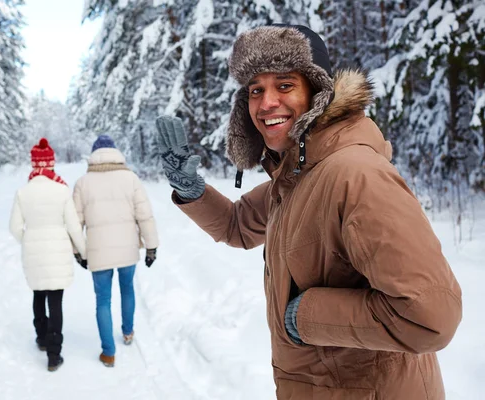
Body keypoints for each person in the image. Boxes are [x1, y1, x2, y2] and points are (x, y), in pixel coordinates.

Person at [154, 25, 462, 399]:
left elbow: (430, 317)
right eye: (256, 90)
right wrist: (192, 190)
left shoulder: (354, 175)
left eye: (285, 85)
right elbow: (237, 226)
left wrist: (305, 317)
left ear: (318, 93)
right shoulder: (295, 180)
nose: (266, 103)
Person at [73, 135, 159, 368]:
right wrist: (151, 247)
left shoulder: (83, 183)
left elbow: (74, 223)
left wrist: (79, 252)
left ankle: (109, 352)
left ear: (93, 156)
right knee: (127, 289)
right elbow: (145, 215)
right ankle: (128, 332)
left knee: (103, 299)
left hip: (98, 252)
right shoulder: (130, 179)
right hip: (127, 249)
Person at [9, 138, 86, 372]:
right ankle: (54, 354)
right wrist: (83, 252)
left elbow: (14, 227)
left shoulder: (23, 192)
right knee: (55, 301)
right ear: (51, 163)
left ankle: (41, 338)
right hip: (57, 251)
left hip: (33, 250)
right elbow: (73, 227)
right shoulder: (62, 190)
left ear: (34, 164)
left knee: (38, 295)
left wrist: (29, 241)